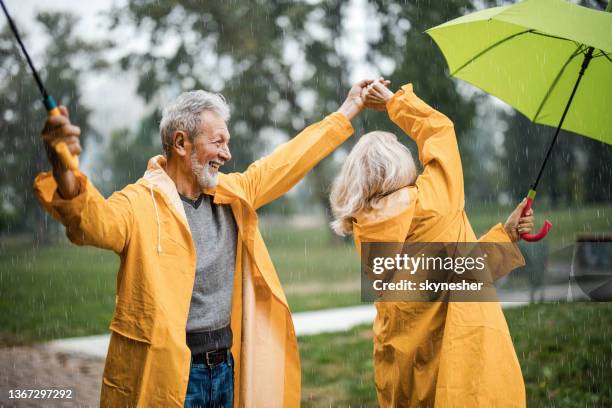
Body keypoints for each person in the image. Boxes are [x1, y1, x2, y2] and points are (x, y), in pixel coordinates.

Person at [34, 79, 382, 407]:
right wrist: (63, 167)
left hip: (225, 368)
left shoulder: (232, 194)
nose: (227, 154)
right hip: (174, 373)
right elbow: (92, 224)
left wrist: (349, 107)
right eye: (218, 142)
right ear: (182, 143)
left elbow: (290, 159)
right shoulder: (140, 203)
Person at [330, 80, 535, 407]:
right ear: (400, 164)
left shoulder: (364, 227)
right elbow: (439, 129)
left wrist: (505, 235)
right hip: (464, 374)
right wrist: (394, 102)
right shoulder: (435, 201)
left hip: (410, 382)